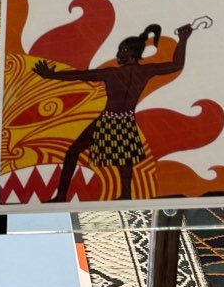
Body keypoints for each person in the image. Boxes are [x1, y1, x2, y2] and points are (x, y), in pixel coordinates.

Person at [34, 21, 202, 202]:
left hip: (108, 120)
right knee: (125, 160)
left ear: (129, 52)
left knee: (75, 152)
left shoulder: (111, 73)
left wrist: (52, 75)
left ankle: (61, 195)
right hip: (125, 121)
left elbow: (79, 75)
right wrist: (183, 39)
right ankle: (124, 194)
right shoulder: (146, 71)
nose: (118, 54)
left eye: (121, 50)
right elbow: (176, 64)